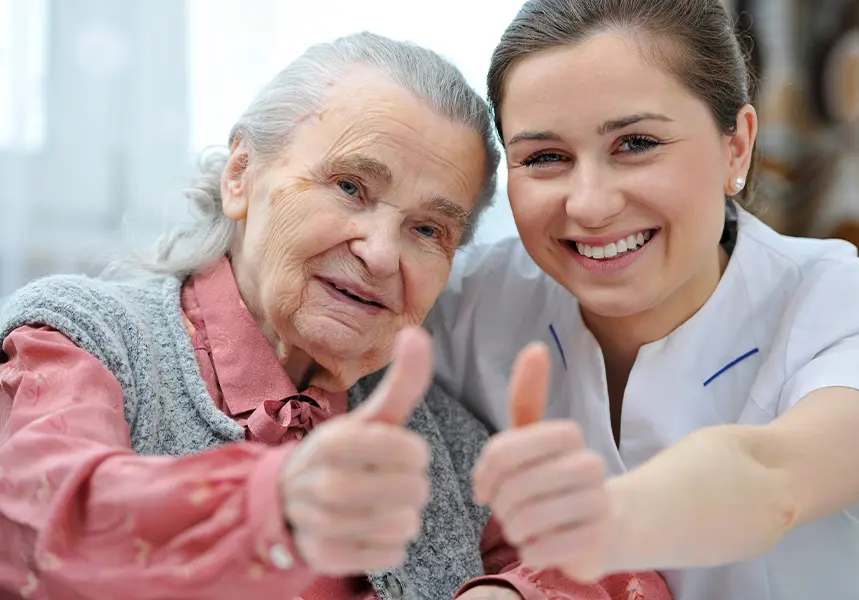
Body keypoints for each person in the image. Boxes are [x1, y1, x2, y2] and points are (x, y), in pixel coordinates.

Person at [0, 33, 671, 600]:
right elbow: (36, 527)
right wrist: (278, 504)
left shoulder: (435, 433)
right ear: (241, 175)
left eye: (429, 230)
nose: (381, 254)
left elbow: (624, 572)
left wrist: (508, 593)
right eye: (351, 187)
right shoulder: (84, 340)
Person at [426, 1, 859, 599]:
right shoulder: (471, 304)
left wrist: (586, 534)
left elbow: (774, 476)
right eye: (545, 157)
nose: (589, 205)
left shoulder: (846, 306)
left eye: (636, 143)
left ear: (737, 148)